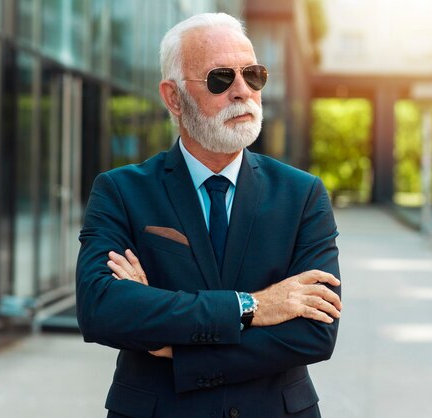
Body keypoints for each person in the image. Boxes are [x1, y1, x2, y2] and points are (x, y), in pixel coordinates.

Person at [76, 12, 341, 418]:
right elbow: (101, 310)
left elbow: (314, 333)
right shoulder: (121, 191)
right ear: (173, 97)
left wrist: (175, 349)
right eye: (220, 78)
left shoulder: (302, 194)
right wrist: (250, 307)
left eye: (253, 75)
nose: (242, 91)